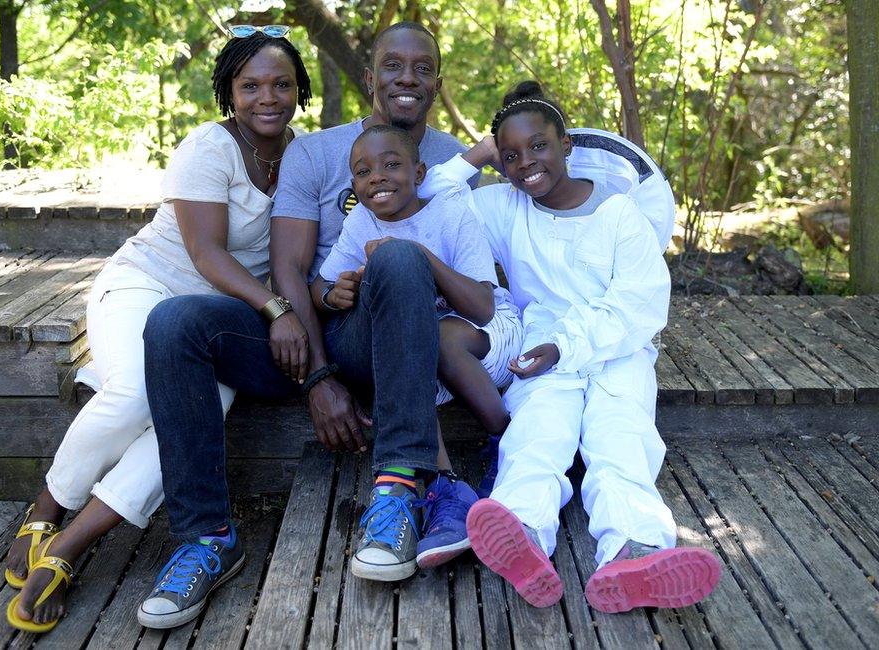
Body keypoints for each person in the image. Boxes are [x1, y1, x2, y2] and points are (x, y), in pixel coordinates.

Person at [140, 22, 492, 623]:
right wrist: (319, 379)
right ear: (368, 75)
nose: (407, 79)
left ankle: (400, 489)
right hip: (308, 340)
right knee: (175, 322)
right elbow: (289, 266)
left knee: (402, 256)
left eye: (422, 68)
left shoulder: (454, 166)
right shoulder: (316, 152)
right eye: (392, 66)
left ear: (437, 80)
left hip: (392, 342)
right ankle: (206, 539)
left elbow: (474, 280)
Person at [2, 27, 312, 633]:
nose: (267, 97)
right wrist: (277, 309)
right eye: (250, 86)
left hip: (211, 324)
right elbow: (206, 255)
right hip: (149, 287)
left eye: (281, 84)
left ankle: (72, 544)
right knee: (140, 393)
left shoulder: (304, 155)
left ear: (301, 89)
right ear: (229, 92)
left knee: (193, 416)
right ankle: (47, 508)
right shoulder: (208, 147)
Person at [420, 81, 721, 611]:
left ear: (568, 145)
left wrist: (567, 346)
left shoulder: (619, 214)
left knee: (619, 433)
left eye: (539, 146)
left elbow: (638, 303)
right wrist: (482, 153)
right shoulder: (504, 207)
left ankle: (634, 547)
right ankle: (522, 533)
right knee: (538, 428)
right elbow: (434, 197)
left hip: (616, 349)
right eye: (510, 155)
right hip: (541, 347)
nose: (525, 163)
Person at [311, 125, 523, 574]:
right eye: (364, 171)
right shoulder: (360, 221)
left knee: (437, 332)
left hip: (481, 335)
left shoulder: (449, 212)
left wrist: (419, 256)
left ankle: (505, 440)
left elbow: (483, 307)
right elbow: (320, 285)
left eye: (392, 165)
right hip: (420, 343)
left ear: (419, 171)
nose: (378, 177)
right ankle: (445, 486)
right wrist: (334, 293)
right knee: (412, 341)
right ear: (353, 186)